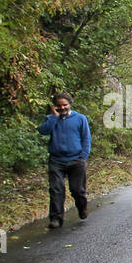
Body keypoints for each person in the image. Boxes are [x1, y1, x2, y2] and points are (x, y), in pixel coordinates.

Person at [37, 94, 91, 229]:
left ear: (70, 104)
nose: (62, 107)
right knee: (56, 190)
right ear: (55, 106)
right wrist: (54, 117)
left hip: (76, 160)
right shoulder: (51, 119)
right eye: (59, 105)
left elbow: (86, 138)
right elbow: (43, 131)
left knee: (77, 190)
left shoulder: (80, 118)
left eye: (65, 105)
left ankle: (82, 207)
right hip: (56, 160)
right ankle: (56, 219)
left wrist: (83, 156)